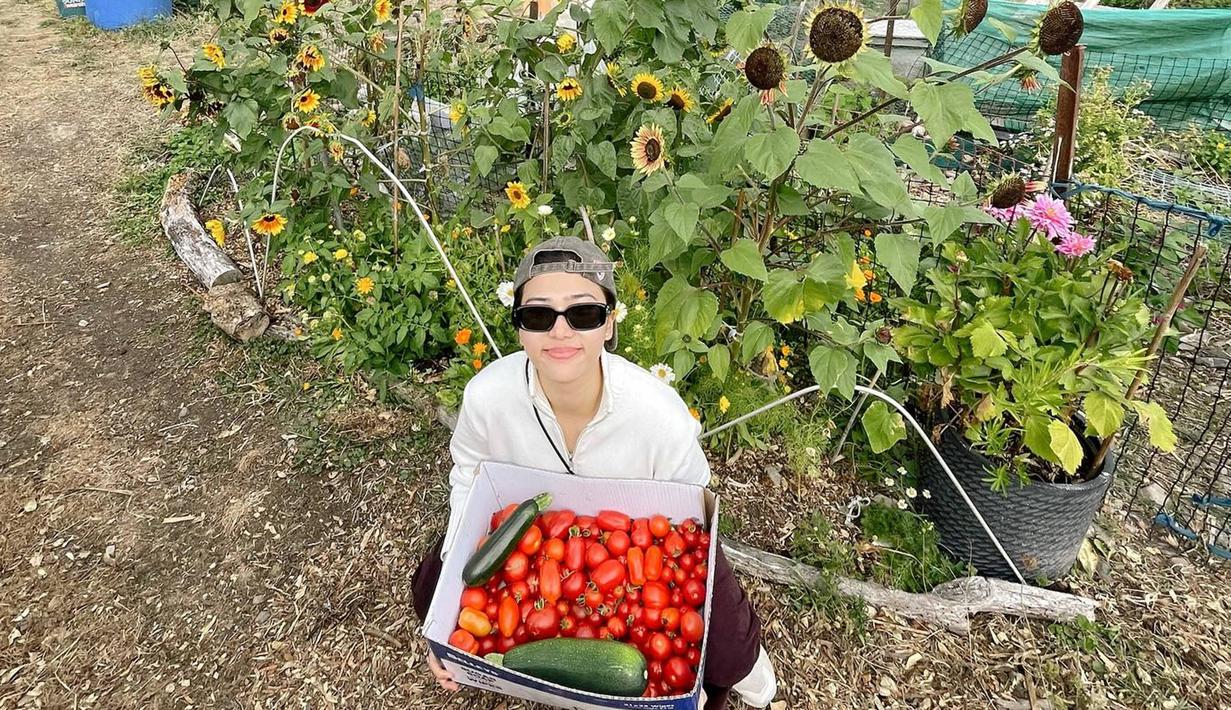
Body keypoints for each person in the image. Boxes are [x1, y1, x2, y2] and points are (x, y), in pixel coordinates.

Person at [411, 236, 777, 708]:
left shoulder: (658, 414)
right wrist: (450, 625)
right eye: (538, 315)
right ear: (519, 329)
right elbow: (467, 471)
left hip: (641, 549)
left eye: (583, 314)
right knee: (430, 589)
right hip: (537, 543)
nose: (560, 332)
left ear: (608, 324)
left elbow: (692, 514)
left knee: (731, 645)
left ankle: (756, 681)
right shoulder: (487, 397)